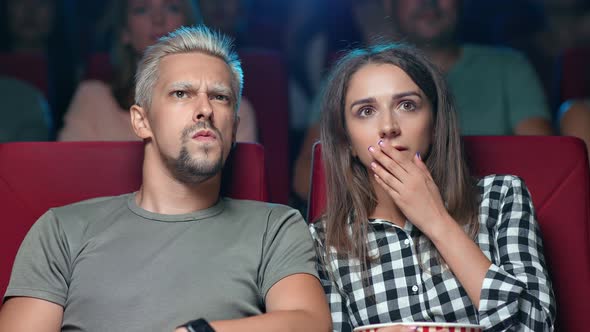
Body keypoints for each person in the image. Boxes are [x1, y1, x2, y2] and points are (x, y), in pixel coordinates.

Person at [0, 25, 331, 332]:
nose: (205, 109)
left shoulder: (274, 226)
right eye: (181, 93)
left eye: (220, 97)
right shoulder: (62, 229)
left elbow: (309, 322)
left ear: (233, 127)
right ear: (141, 121)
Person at [309, 44, 556, 331]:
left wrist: (436, 221)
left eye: (407, 105)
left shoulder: (501, 197)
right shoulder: (325, 241)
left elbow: (535, 327)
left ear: (436, 124)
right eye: (366, 111)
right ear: (347, 141)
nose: (388, 126)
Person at [292, 0, 555, 204]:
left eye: (408, 105)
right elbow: (307, 179)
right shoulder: (352, 78)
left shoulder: (508, 66)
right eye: (367, 110)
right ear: (388, 3)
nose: (428, 3)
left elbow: (544, 167)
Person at [58, 0, 257, 142]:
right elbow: (66, 179)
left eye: (172, 7)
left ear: (189, 26)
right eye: (141, 9)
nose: (158, 18)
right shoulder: (92, 99)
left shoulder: (233, 110)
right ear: (124, 32)